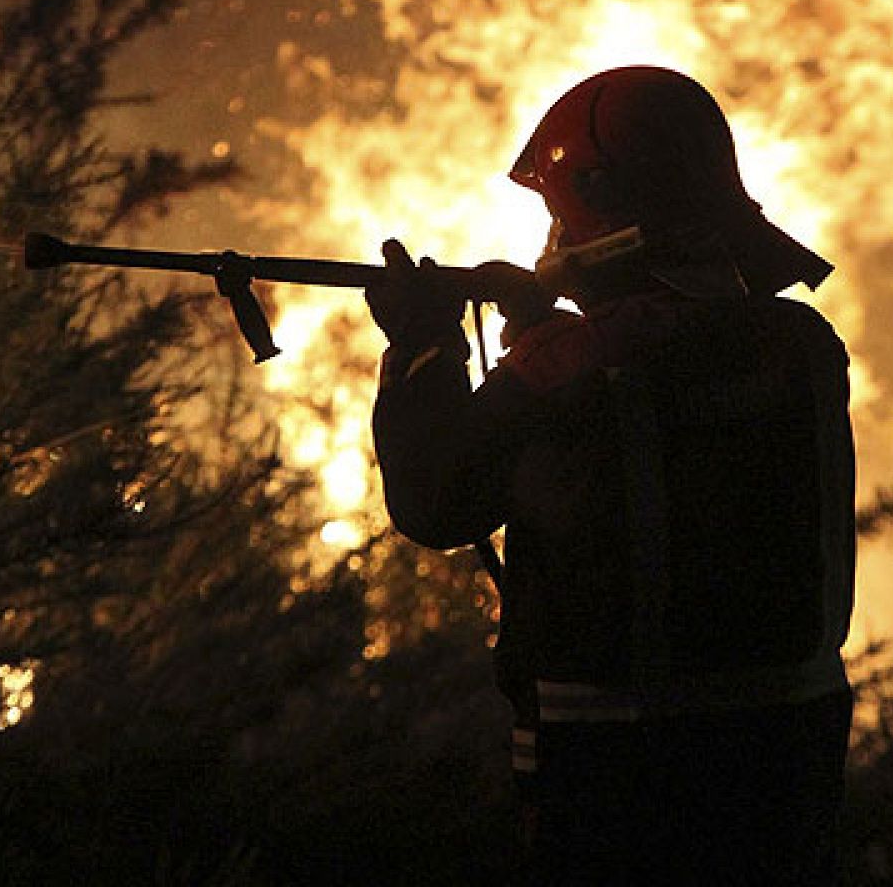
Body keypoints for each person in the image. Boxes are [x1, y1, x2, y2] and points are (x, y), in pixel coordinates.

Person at [366, 66, 856, 885]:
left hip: (618, 780)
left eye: (561, 217)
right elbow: (656, 427)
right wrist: (538, 324)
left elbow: (435, 499)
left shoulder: (570, 368)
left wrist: (426, 349)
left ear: (607, 213)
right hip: (788, 771)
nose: (551, 242)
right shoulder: (801, 345)